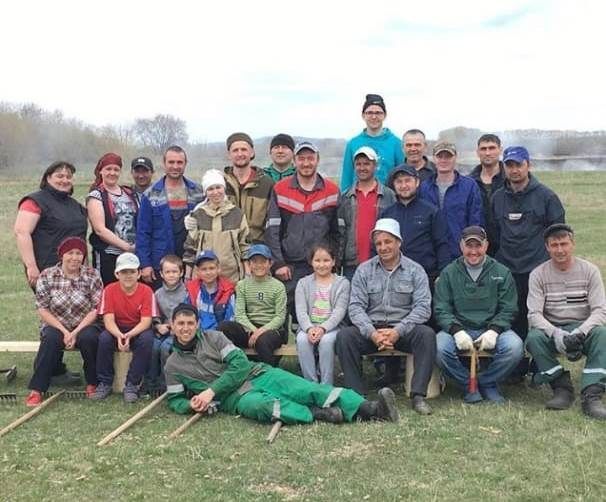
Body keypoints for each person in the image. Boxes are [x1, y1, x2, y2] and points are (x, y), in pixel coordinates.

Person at [165, 303, 399, 425]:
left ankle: (369, 409)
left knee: (307, 389)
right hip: (235, 398)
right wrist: (192, 405)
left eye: (190, 323)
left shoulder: (214, 338)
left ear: (197, 324)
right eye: (180, 324)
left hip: (257, 374)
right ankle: (317, 414)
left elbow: (240, 366)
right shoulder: (173, 366)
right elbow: (175, 400)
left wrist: (210, 391)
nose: (185, 328)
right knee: (265, 407)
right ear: (172, 326)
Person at [336, 218, 436, 415]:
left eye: (388, 242)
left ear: (399, 242)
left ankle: (418, 396)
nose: (383, 247)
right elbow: (355, 307)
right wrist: (372, 333)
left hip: (403, 329)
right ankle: (357, 398)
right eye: (379, 243)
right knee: (345, 336)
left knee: (427, 335)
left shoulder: (416, 270)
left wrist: (398, 331)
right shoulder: (364, 270)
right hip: (373, 330)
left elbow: (423, 308)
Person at [492, 146, 565, 372]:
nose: (514, 170)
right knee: (511, 318)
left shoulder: (546, 197)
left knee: (539, 319)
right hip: (506, 271)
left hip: (537, 270)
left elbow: (557, 235)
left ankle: (540, 365)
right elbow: (494, 235)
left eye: (518, 165)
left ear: (528, 165)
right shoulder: (497, 198)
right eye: (509, 165)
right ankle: (515, 366)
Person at [434, 226, 523, 404]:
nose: (473, 251)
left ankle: (487, 382)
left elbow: (509, 308)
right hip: (460, 329)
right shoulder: (449, 273)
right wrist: (456, 330)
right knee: (438, 348)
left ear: (486, 246)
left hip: (491, 329)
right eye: (469, 246)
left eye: (478, 246)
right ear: (461, 246)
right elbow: (441, 308)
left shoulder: (501, 272)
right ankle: (468, 384)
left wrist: (494, 330)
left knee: (515, 347)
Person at [525, 224, 606, 419]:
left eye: (564, 244)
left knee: (603, 334)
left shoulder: (590, 271)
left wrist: (581, 332)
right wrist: (557, 333)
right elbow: (534, 314)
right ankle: (561, 387)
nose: (560, 250)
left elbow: (600, 310)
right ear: (547, 247)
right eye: (554, 245)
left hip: (583, 327)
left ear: (573, 244)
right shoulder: (538, 274)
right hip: (554, 328)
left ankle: (592, 393)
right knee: (533, 338)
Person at [266, 141, 343, 321]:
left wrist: (335, 262)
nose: (306, 163)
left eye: (310, 158)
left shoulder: (331, 190)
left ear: (318, 160)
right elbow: (272, 230)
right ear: (294, 160)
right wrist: (278, 263)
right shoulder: (281, 189)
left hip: (320, 266)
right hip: (289, 268)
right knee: (283, 317)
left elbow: (338, 232)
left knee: (319, 316)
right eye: (301, 159)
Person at [25, 237, 103, 406]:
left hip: (85, 324)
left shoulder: (92, 275)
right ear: (61, 255)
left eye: (79, 253)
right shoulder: (47, 275)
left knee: (89, 338)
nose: (75, 257)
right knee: (51, 339)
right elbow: (42, 308)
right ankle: (37, 389)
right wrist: (65, 331)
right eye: (70, 253)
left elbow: (96, 308)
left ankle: (92, 382)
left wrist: (74, 332)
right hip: (56, 324)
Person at [136, 145, 204, 289]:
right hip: (160, 263)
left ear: (185, 164)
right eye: (171, 162)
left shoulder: (197, 192)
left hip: (190, 261)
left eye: (179, 162)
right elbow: (143, 232)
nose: (175, 166)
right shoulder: (151, 194)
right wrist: (145, 264)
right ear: (164, 163)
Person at [91, 252, 156, 403]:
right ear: (116, 274)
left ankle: (132, 384)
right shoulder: (109, 290)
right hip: (116, 328)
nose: (128, 276)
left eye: (132, 272)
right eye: (124, 272)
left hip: (137, 328)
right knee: (104, 338)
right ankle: (105, 383)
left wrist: (129, 335)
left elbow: (146, 321)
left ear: (139, 273)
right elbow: (108, 321)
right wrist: (120, 335)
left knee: (147, 339)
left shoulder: (146, 291)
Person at [14, 160, 87, 288]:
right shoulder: (34, 202)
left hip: (76, 269)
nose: (65, 180)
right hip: (47, 269)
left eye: (68, 177)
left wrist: (85, 267)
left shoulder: (76, 205)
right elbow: (22, 232)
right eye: (59, 176)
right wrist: (31, 266)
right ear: (48, 178)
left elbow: (81, 239)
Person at [217, 245, 287, 367]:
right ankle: (233, 368)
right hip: (248, 328)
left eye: (263, 261)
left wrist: (260, 332)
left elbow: (280, 317)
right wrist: (253, 331)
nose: (259, 265)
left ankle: (268, 375)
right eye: (254, 262)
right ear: (249, 264)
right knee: (225, 327)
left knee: (263, 340)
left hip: (271, 329)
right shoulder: (242, 285)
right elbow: (240, 315)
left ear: (270, 263)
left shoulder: (278, 286)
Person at [381, 164, 450, 285]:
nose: (403, 186)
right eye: (399, 182)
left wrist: (442, 273)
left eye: (408, 180)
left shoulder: (431, 211)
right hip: (393, 277)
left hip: (426, 276)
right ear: (394, 185)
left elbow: (442, 244)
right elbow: (377, 246)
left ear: (417, 182)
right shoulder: (387, 214)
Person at [295, 244, 350, 385]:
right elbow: (301, 311)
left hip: (332, 328)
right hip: (309, 326)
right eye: (317, 260)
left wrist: (322, 328)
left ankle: (326, 385)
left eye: (326, 260)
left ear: (333, 261)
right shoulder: (303, 283)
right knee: (302, 340)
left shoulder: (342, 283)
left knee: (326, 341)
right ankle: (310, 384)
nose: (322, 265)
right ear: (311, 262)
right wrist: (309, 328)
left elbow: (339, 311)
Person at [338, 146, 396, 280]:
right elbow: (340, 232)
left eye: (366, 164)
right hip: (352, 265)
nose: (362, 168)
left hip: (382, 262)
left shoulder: (389, 195)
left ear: (375, 166)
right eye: (358, 164)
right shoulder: (345, 197)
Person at [419, 141, 483, 260]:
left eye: (448, 156)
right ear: (434, 158)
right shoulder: (424, 188)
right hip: (431, 253)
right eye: (440, 156)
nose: (444, 160)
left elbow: (476, 221)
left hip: (460, 254)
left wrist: (471, 250)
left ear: (455, 158)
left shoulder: (469, 186)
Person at [182, 169, 249, 283]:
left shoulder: (237, 214)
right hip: (203, 276)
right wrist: (188, 276)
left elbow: (244, 245)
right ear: (205, 192)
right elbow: (190, 247)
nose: (215, 192)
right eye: (210, 189)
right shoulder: (198, 214)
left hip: (231, 275)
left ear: (224, 188)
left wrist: (247, 272)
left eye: (218, 187)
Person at [87, 152, 139, 285]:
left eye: (116, 169)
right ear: (100, 172)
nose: (112, 173)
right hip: (109, 255)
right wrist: (126, 247)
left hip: (133, 253)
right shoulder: (96, 196)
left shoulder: (129, 193)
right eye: (108, 169)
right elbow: (100, 230)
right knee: (109, 291)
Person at [340, 94, 404, 191]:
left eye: (378, 113)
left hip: (388, 201)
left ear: (384, 115)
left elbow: (401, 175)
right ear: (363, 115)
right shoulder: (353, 144)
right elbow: (346, 178)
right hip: (359, 200)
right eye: (369, 113)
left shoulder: (396, 143)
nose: (374, 117)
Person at [145, 255, 188, 394]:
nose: (171, 275)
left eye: (175, 272)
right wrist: (158, 326)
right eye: (168, 272)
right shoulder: (157, 294)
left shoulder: (186, 292)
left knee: (165, 348)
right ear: (161, 274)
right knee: (153, 346)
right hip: (163, 331)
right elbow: (155, 315)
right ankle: (150, 382)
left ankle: (166, 383)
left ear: (181, 273)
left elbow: (189, 314)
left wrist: (177, 328)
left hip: (180, 331)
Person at [223, 132, 274, 243]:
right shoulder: (220, 184)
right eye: (235, 150)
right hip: (228, 248)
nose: (240, 154)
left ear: (252, 152)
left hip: (257, 249)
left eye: (244, 149)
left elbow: (272, 223)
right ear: (229, 154)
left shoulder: (266, 184)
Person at [469, 134, 505, 256]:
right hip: (477, 248)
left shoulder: (511, 180)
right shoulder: (468, 183)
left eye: (492, 148)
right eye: (483, 149)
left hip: (508, 247)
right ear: (477, 152)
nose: (488, 153)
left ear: (500, 150)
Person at [185, 250, 236, 331]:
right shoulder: (192, 289)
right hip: (197, 334)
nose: (208, 272)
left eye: (211, 268)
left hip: (220, 336)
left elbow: (230, 319)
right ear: (197, 272)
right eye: (204, 269)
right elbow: (186, 314)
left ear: (218, 269)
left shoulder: (228, 290)